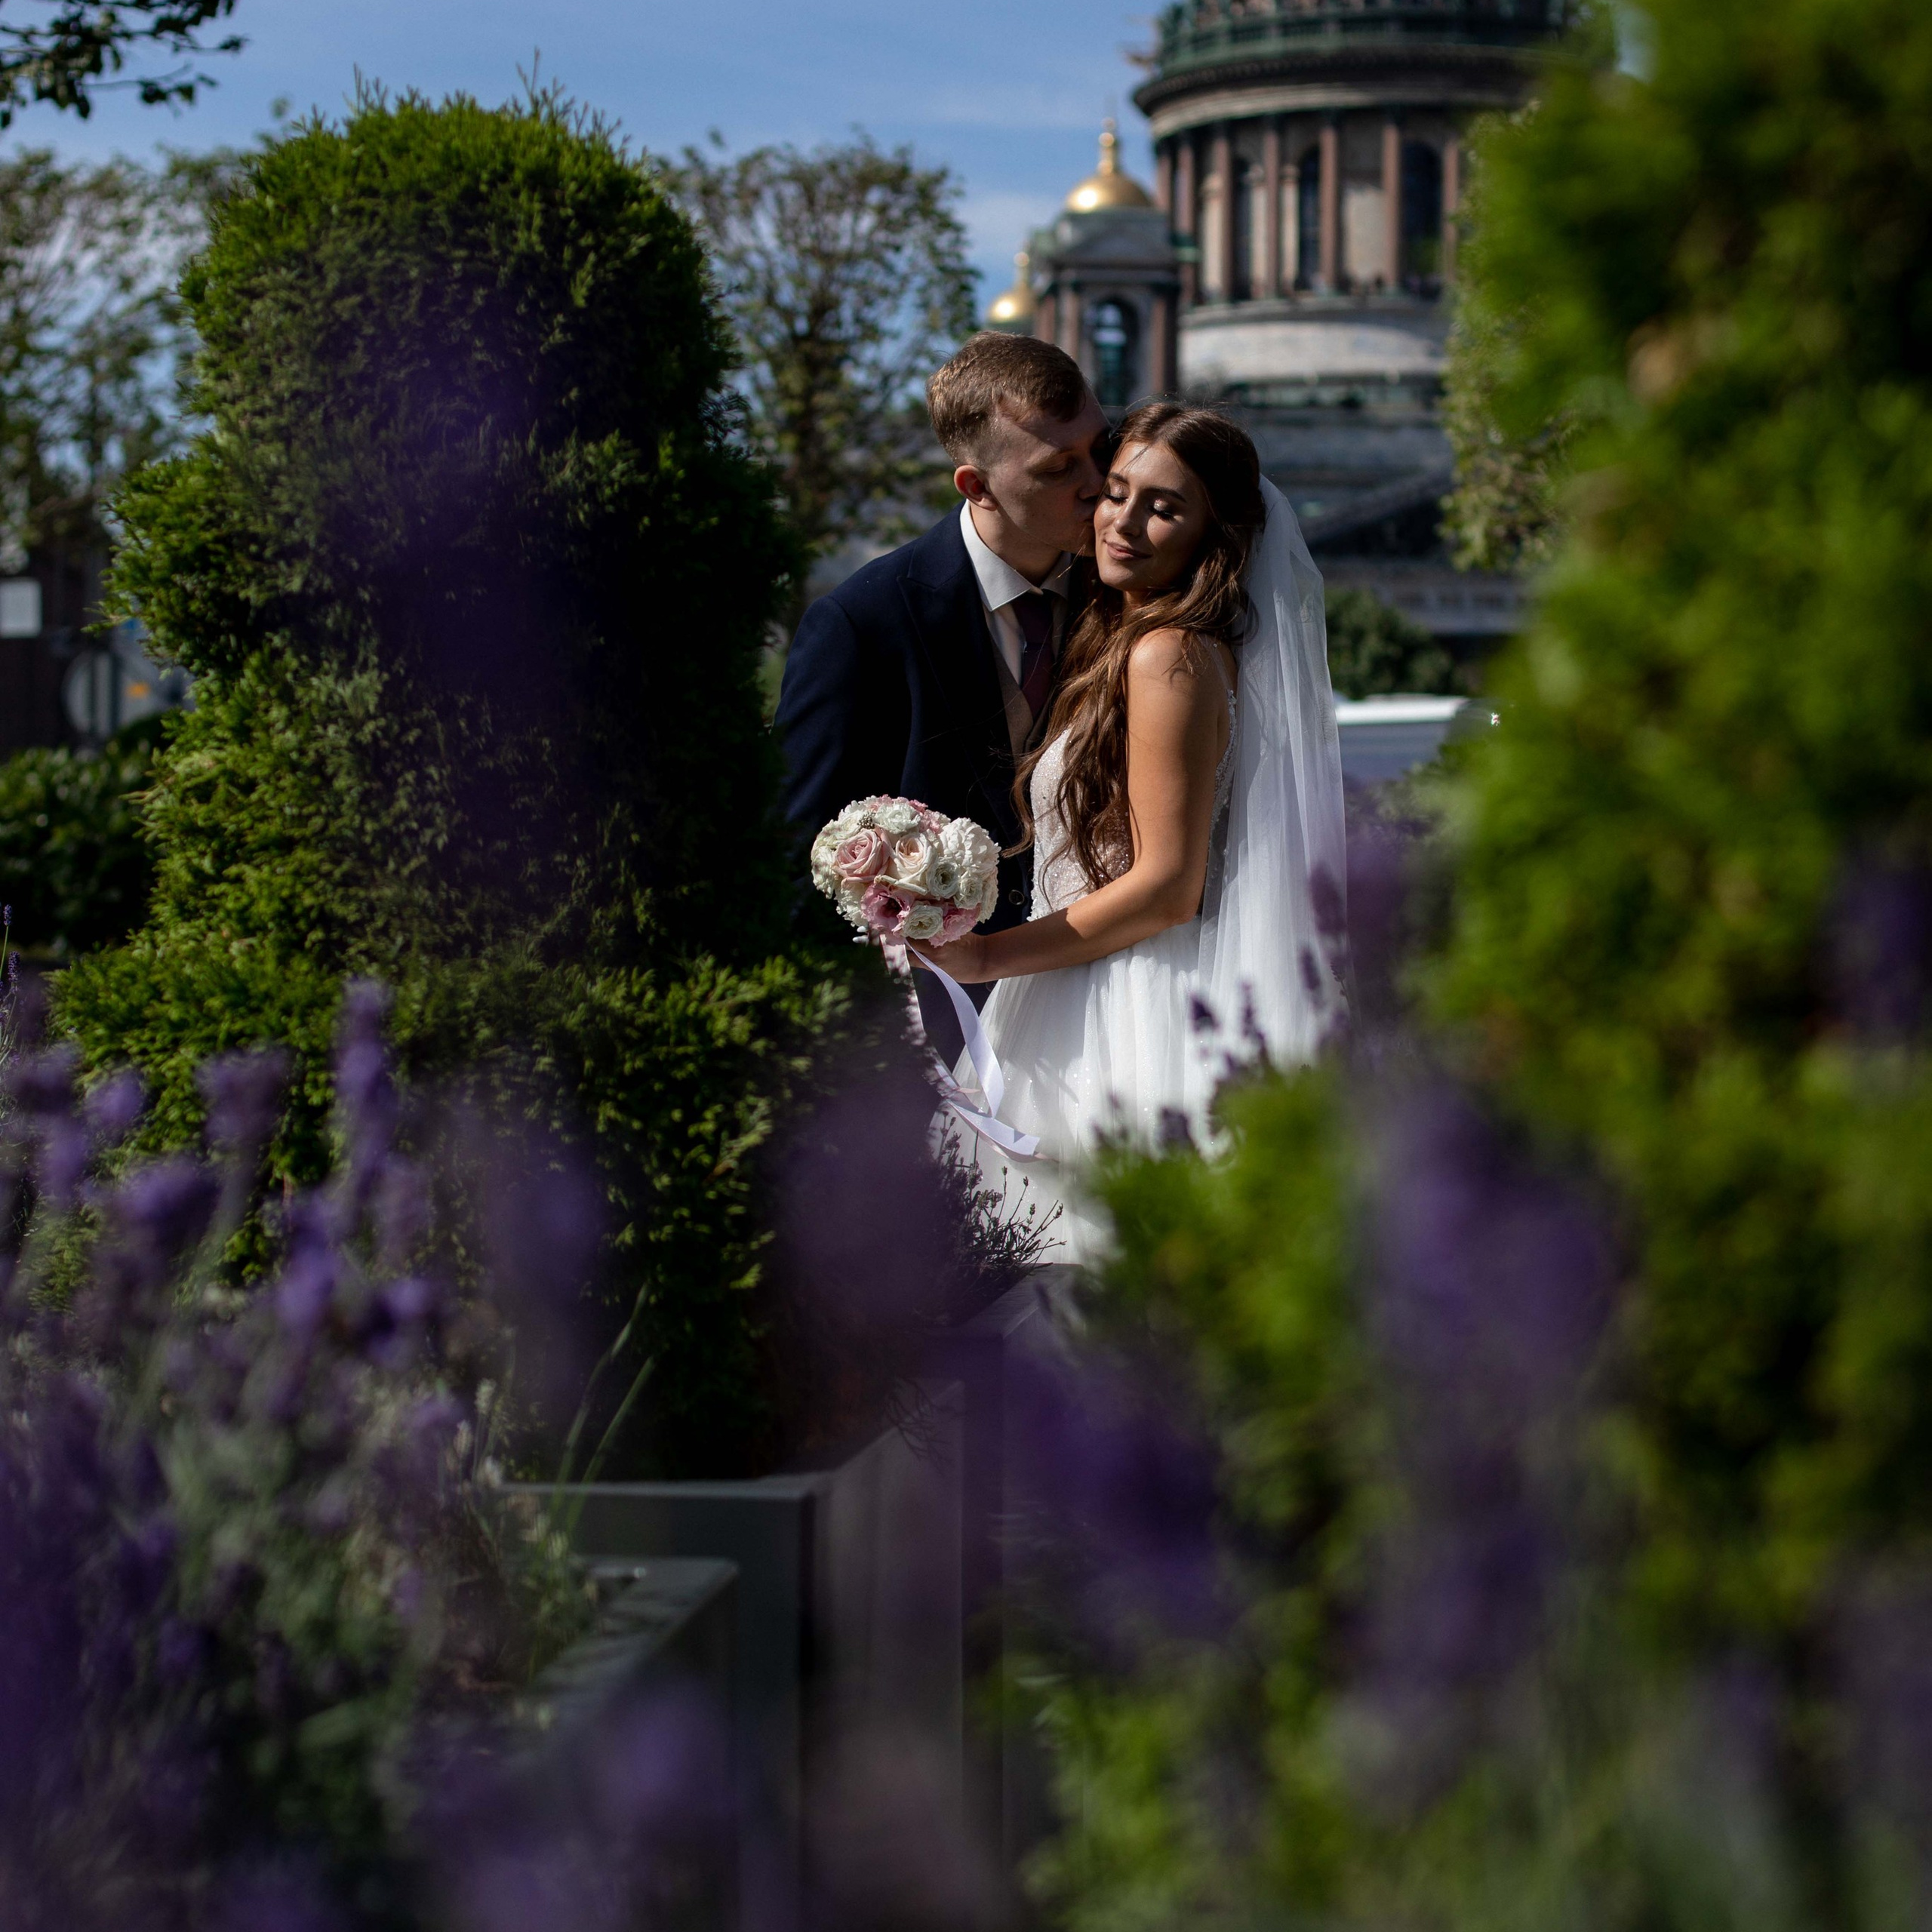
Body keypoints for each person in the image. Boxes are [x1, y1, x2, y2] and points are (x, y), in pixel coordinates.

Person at [911, 402, 1346, 1260]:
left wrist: (990, 955)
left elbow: (1168, 885)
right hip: (1082, 982)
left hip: (1126, 1007)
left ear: (1215, 534)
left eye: (1165, 506)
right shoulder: (1137, 639)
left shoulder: (1168, 656)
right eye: (1115, 493)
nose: (1125, 522)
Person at [776, 333, 1109, 1060]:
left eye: (1099, 448)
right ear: (976, 485)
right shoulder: (862, 625)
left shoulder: (1130, 599)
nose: (1099, 483)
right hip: (934, 1036)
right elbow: (804, 859)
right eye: (1060, 467)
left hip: (1111, 997)